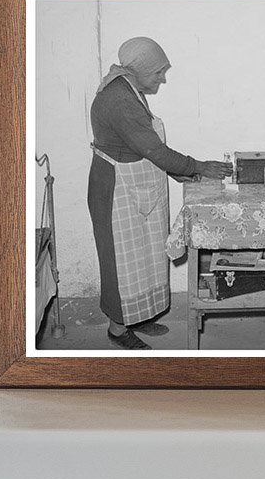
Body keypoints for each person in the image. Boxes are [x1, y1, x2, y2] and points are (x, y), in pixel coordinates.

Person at [88, 37, 231, 350]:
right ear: (138, 70)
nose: (163, 79)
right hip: (116, 190)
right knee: (121, 264)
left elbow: (144, 145)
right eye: (158, 73)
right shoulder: (119, 98)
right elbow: (153, 148)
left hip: (136, 184)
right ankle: (117, 328)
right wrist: (199, 167)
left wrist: (184, 172)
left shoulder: (129, 87)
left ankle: (137, 315)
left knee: (145, 259)